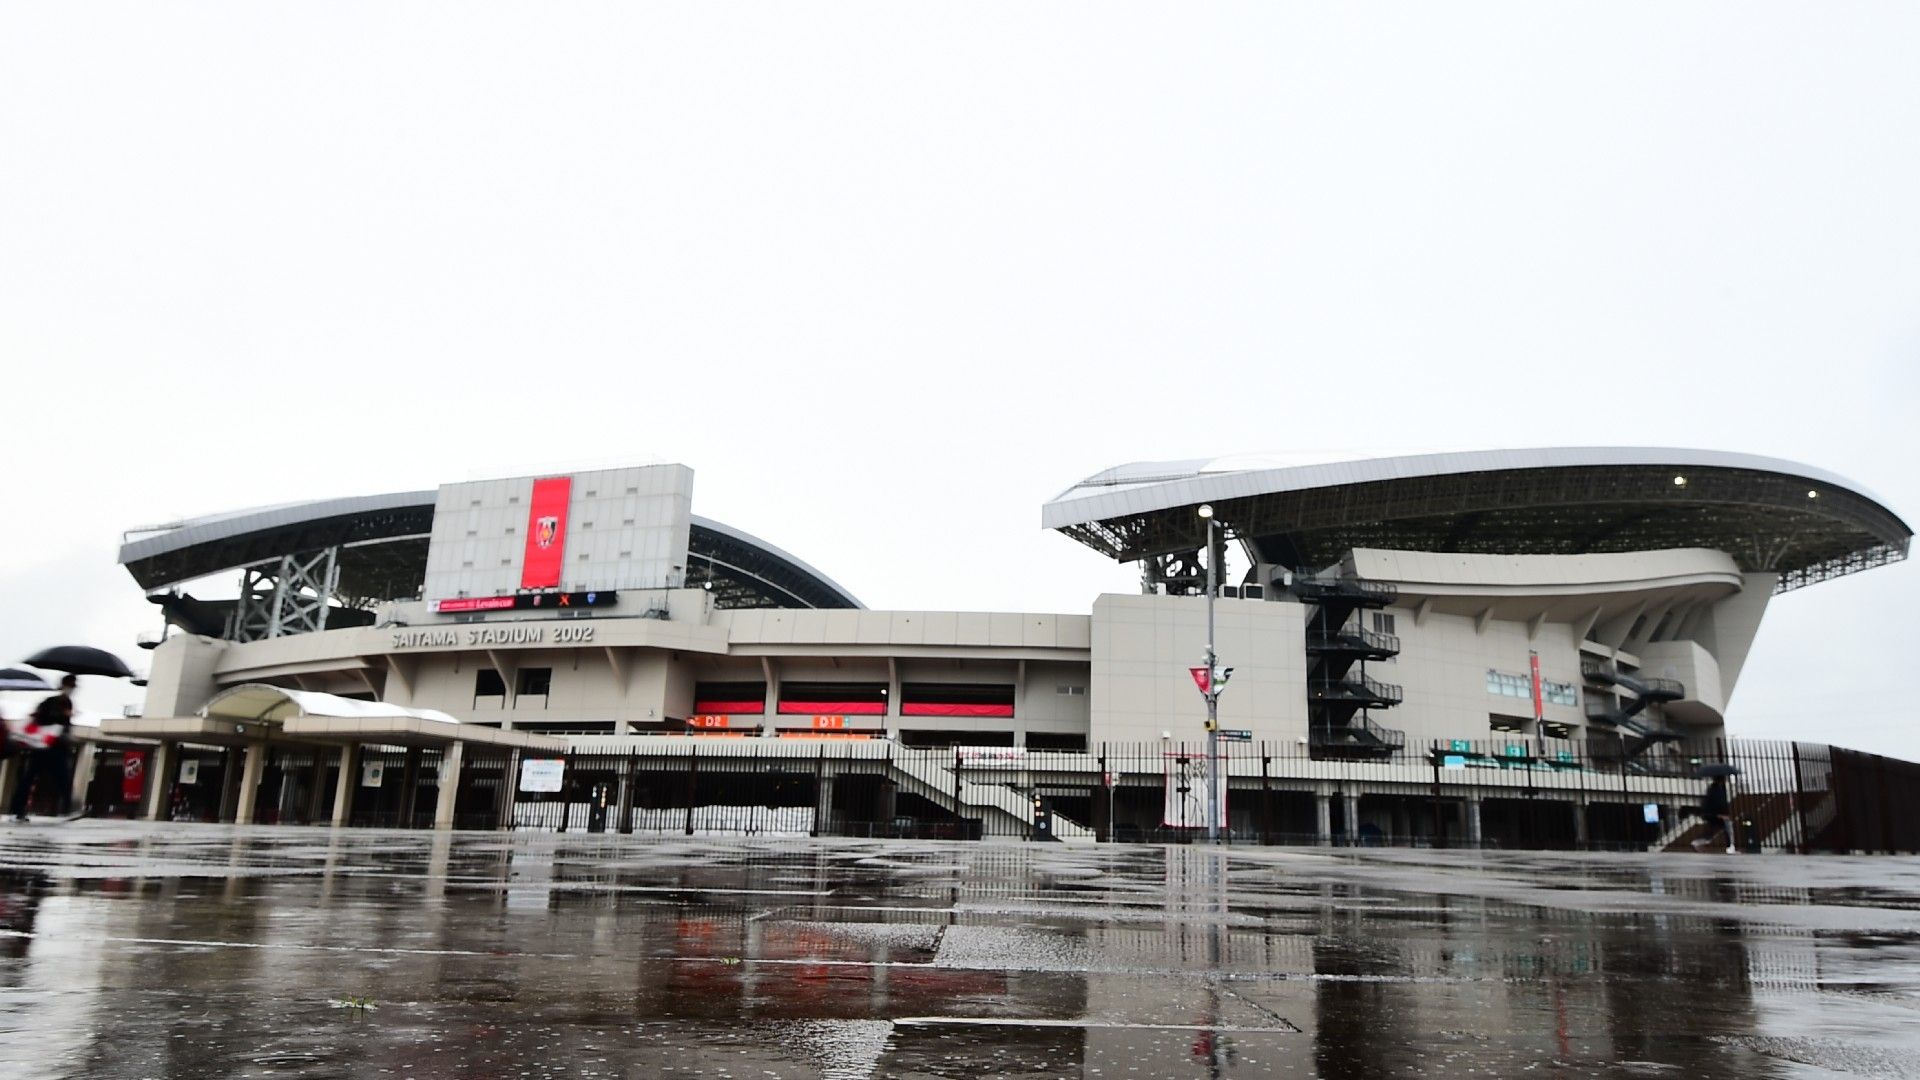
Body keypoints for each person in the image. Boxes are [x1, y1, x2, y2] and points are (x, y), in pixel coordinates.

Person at [10, 675, 78, 822]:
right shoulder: (54, 702)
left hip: (48, 746)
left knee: (35, 777)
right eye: (71, 686)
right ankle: (68, 808)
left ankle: (19, 809)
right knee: (61, 777)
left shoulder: (64, 702)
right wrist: (62, 716)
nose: (72, 689)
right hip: (49, 745)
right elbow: (44, 719)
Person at [1690, 776, 1731, 852]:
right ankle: (1729, 846)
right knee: (1722, 829)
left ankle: (1698, 842)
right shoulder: (1716, 789)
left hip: (1712, 814)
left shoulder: (1714, 788)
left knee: (1713, 831)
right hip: (1714, 814)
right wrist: (1720, 814)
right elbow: (1717, 803)